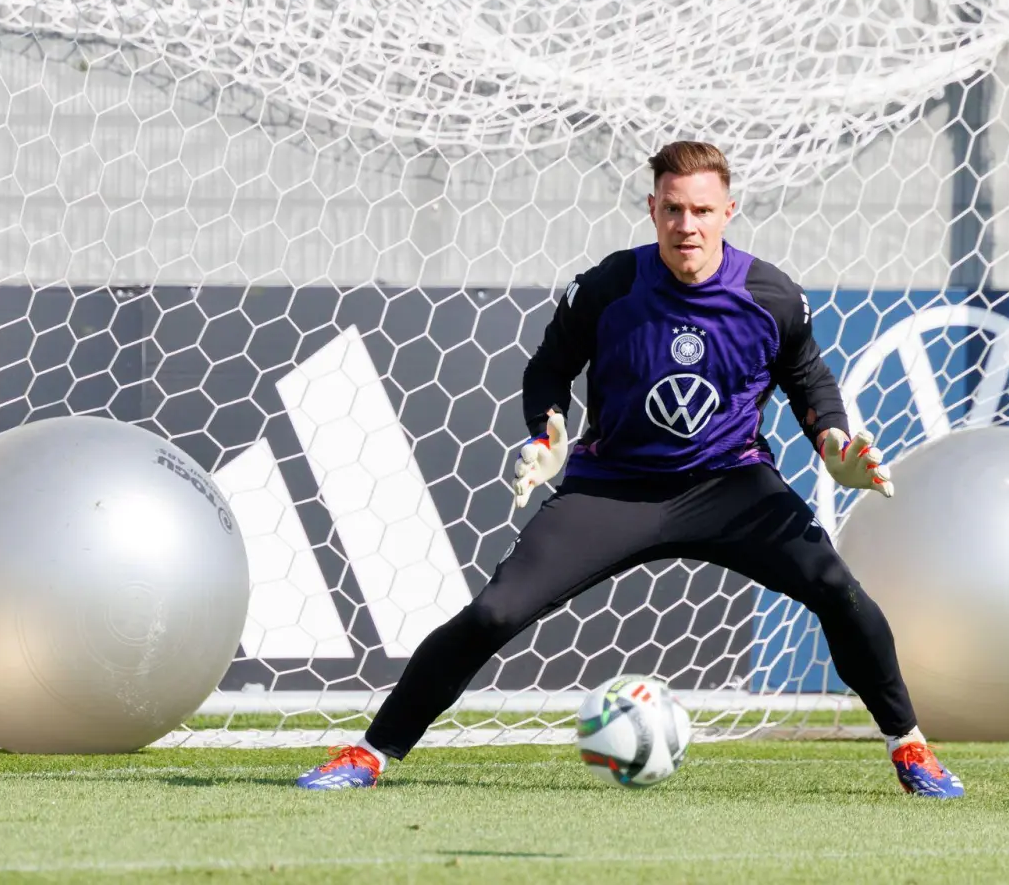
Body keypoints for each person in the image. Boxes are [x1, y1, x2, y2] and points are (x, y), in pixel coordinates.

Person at [295, 140, 964, 799]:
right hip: (613, 490)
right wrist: (547, 431)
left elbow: (808, 379)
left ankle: (908, 745)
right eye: (673, 209)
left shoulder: (772, 295)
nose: (687, 226)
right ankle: (372, 750)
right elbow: (548, 369)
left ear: (729, 210)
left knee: (837, 590)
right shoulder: (610, 286)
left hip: (729, 487)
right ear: (652, 209)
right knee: (495, 613)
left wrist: (834, 444)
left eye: (702, 210)